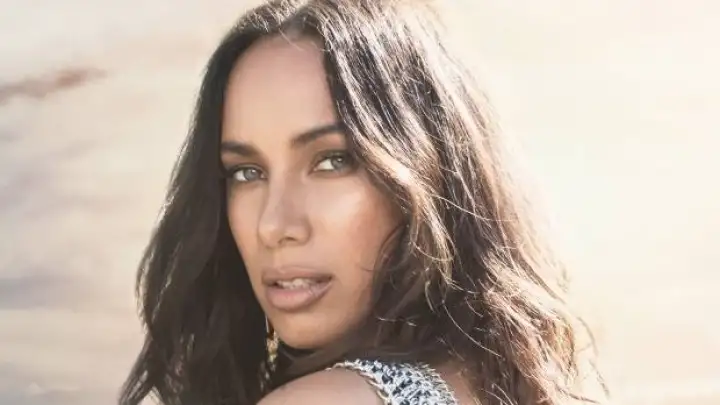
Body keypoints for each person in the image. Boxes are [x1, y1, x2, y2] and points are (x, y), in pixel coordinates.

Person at [120, 0, 606, 404]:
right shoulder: (499, 383)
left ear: (430, 170)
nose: (274, 224)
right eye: (246, 172)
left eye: (332, 161)